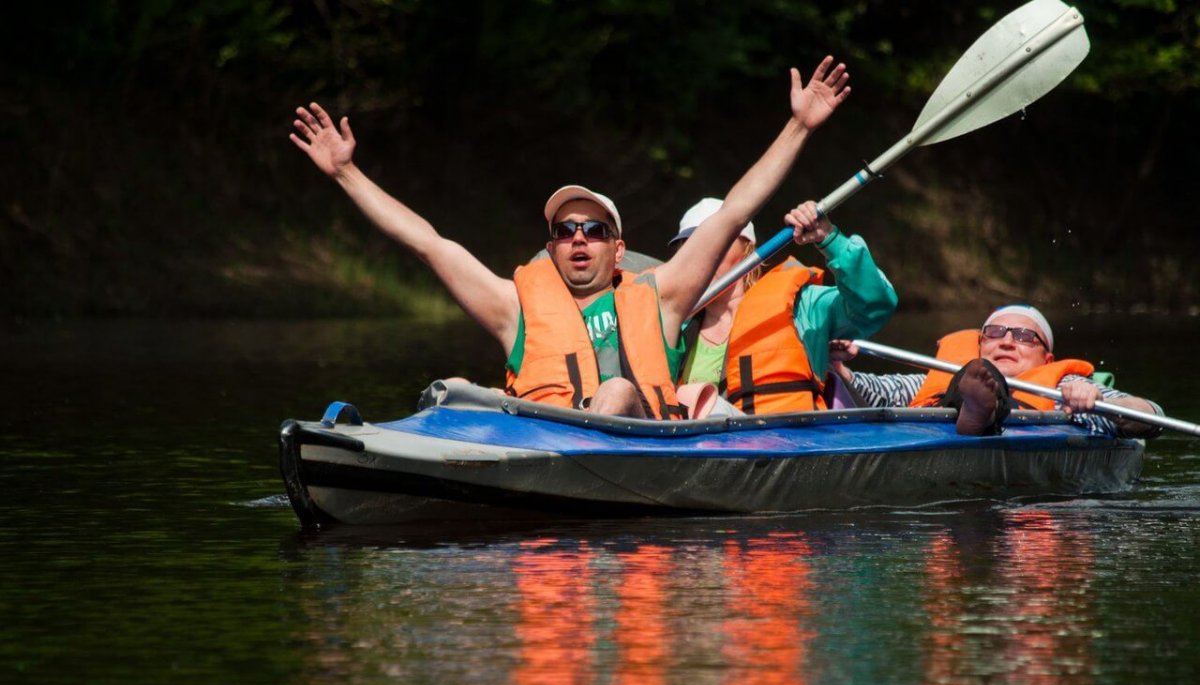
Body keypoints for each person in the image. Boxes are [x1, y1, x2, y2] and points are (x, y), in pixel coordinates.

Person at [290, 58, 851, 419]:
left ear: (617, 248)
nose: (578, 238)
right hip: (540, 446)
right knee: (454, 388)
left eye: (594, 230)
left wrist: (799, 126)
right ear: (553, 245)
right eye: (565, 231)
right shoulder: (516, 308)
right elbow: (427, 242)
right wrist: (346, 173)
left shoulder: (663, 296)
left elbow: (733, 213)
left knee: (617, 393)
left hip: (633, 446)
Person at [672, 197, 897, 415]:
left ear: (747, 249)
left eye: (711, 241)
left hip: (784, 446)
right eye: (688, 246)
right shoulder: (673, 326)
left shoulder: (803, 308)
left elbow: (874, 305)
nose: (697, 254)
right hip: (701, 448)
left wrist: (830, 240)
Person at [828, 304, 1163, 437]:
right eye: (994, 333)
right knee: (963, 384)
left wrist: (1095, 398)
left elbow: (1152, 415)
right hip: (956, 413)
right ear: (981, 346)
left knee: (975, 388)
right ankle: (976, 410)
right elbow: (868, 391)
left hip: (1025, 433)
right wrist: (837, 364)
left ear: (1047, 359)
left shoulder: (1066, 383)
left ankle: (983, 413)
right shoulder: (942, 376)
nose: (1006, 342)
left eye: (1023, 337)